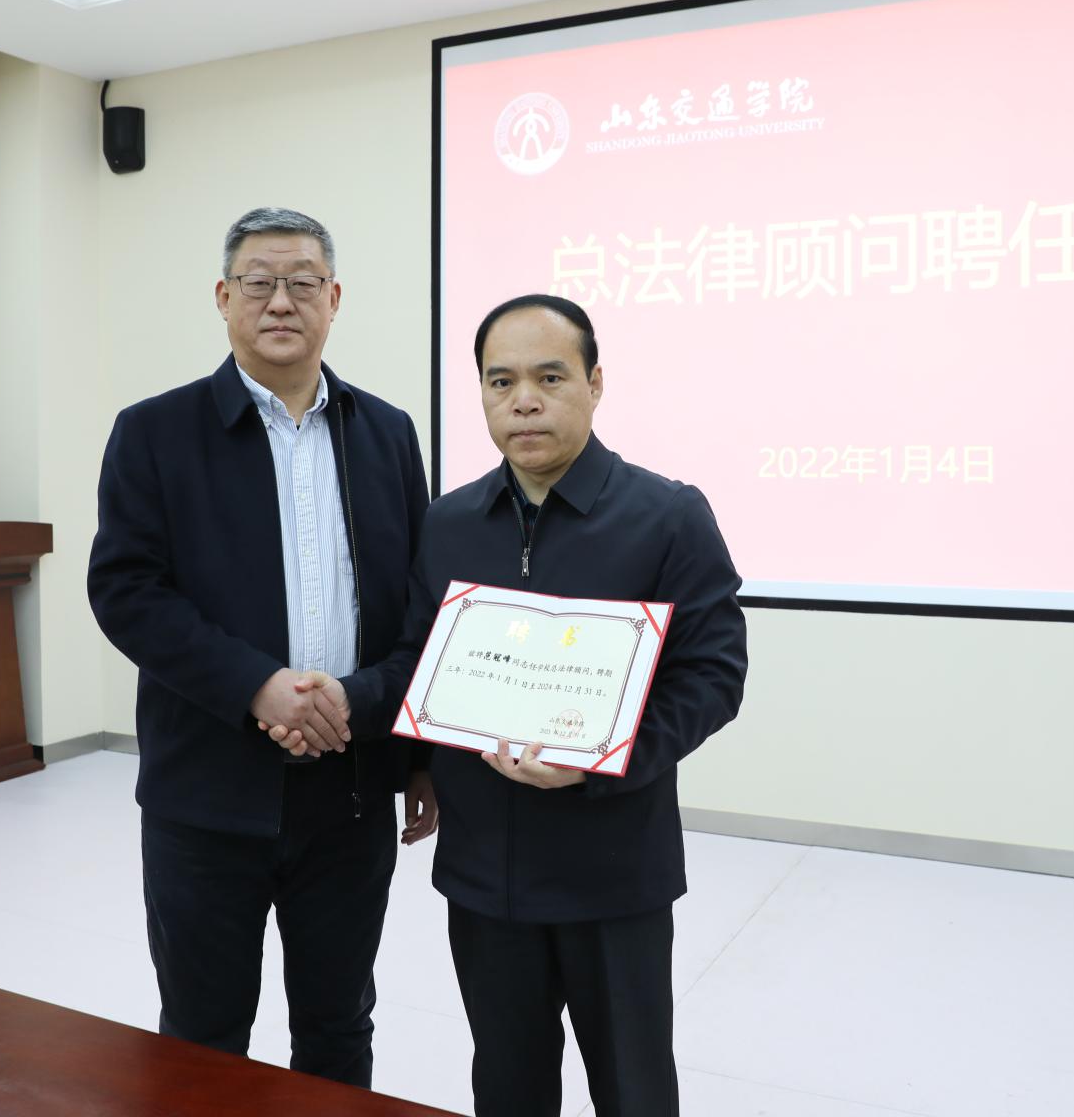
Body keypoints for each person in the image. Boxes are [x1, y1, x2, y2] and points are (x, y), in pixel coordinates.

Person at [270, 294, 747, 1115]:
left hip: (613, 872)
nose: (524, 400)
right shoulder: (451, 522)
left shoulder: (668, 517)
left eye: (549, 377)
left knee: (633, 1089)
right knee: (507, 1084)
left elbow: (713, 676)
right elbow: (420, 659)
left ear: (596, 384)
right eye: (501, 381)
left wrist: (601, 761)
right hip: (485, 873)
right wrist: (380, 728)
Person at [87, 207, 437, 1089]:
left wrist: (409, 748)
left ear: (334, 299)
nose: (282, 301)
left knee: (337, 1027)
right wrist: (258, 687)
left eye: (304, 282)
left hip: (350, 791)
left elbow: (418, 609)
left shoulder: (387, 433)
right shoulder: (154, 432)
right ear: (224, 297)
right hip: (207, 794)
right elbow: (126, 592)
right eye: (259, 282)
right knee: (203, 1037)